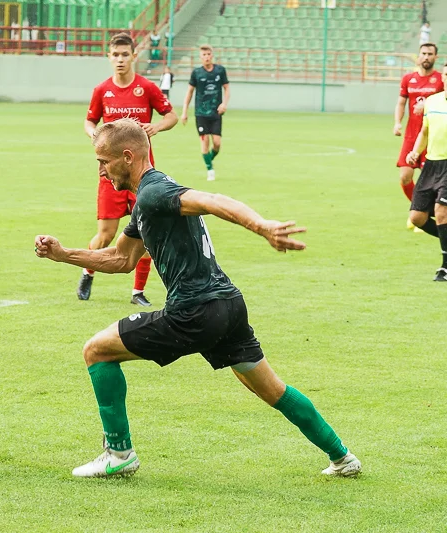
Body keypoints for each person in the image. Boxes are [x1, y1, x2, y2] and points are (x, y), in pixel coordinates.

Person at [35, 118, 362, 478]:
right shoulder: (147, 201)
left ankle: (118, 452)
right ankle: (342, 457)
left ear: (127, 156)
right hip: (228, 305)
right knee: (272, 389)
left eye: (104, 160)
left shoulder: (154, 193)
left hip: (195, 310)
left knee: (96, 350)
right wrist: (64, 254)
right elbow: (121, 259)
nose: (100, 170)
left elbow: (213, 199)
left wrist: (262, 226)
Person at [81, 32, 178, 306]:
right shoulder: (102, 90)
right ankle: (88, 272)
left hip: (143, 175)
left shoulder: (146, 88)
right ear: (109, 57)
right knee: (106, 233)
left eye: (125, 54)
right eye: (116, 55)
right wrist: (95, 135)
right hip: (110, 175)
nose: (121, 59)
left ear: (134, 56)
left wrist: (156, 126)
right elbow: (89, 121)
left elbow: (171, 115)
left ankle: (138, 292)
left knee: (148, 232)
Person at [406, 61, 447, 280]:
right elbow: (424, 131)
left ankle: (445, 266)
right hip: (431, 164)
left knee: (441, 212)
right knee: (417, 217)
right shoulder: (432, 102)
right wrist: (415, 152)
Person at [395, 43, 443, 230]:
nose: (426, 57)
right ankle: (419, 209)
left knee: (428, 180)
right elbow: (401, 103)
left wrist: (428, 104)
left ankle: (422, 214)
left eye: (430, 54)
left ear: (435, 58)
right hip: (411, 136)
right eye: (423, 53)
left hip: (431, 135)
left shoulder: (440, 80)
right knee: (405, 176)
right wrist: (397, 122)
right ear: (418, 55)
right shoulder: (408, 79)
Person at [181, 45, 230, 181]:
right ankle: (210, 170)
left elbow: (227, 89)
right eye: (204, 55)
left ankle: (209, 159)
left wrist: (224, 104)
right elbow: (189, 92)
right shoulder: (197, 73)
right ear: (200, 57)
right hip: (201, 113)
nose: (207, 57)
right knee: (205, 141)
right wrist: (184, 111)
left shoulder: (220, 71)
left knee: (217, 143)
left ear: (212, 55)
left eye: (209, 54)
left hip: (216, 112)